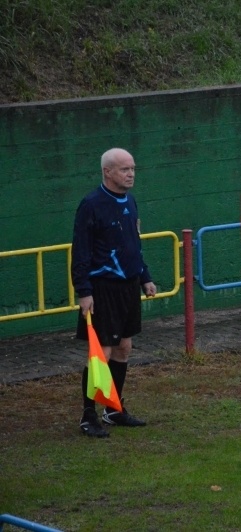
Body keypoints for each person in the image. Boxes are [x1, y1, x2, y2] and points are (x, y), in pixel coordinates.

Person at [71, 148, 157, 438]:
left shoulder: (130, 201)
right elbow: (80, 252)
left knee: (124, 348)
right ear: (107, 172)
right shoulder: (91, 205)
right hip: (102, 289)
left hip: (129, 287)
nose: (131, 174)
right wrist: (84, 291)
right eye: (124, 169)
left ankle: (113, 409)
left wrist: (144, 277)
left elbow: (134, 243)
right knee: (102, 352)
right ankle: (88, 416)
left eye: (133, 169)